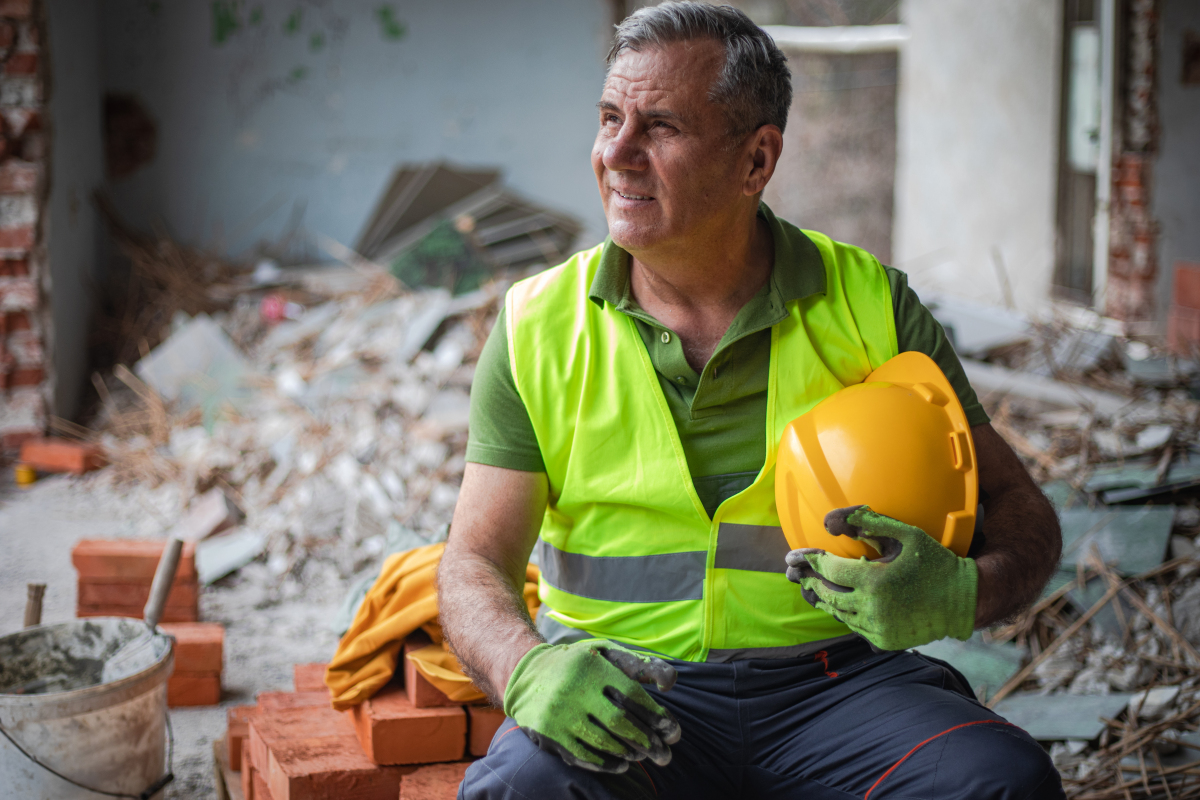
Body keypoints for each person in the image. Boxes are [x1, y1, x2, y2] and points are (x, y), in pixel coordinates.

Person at [438, 4, 1064, 798]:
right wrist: (526, 667)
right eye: (608, 118)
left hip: (840, 691)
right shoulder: (536, 325)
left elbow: (1023, 515)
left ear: (756, 160)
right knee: (520, 791)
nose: (616, 154)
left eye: (659, 126)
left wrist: (961, 593)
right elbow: (473, 564)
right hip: (627, 694)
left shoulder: (871, 306)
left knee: (1000, 781)